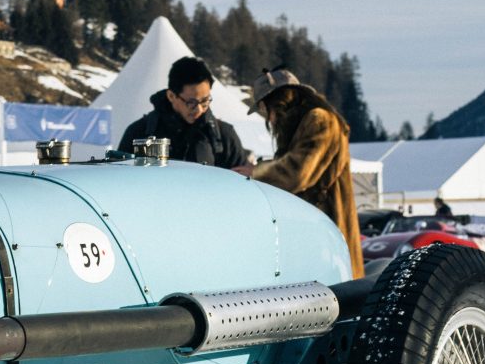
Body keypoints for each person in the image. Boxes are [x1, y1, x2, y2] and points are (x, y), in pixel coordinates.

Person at [250, 69, 363, 278]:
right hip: (318, 233)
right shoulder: (302, 124)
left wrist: (254, 172)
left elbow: (298, 173)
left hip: (329, 234)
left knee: (335, 299)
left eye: (265, 112)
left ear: (275, 103)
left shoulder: (320, 119)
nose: (270, 121)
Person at [115, 56, 252, 173]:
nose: (199, 109)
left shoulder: (223, 137)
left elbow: (242, 187)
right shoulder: (140, 133)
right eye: (191, 102)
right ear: (171, 96)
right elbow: (118, 183)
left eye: (205, 101)